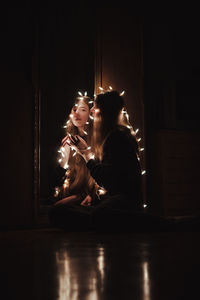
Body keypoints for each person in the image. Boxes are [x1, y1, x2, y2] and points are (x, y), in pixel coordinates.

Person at [52, 94, 98, 207]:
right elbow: (55, 182)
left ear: (91, 113)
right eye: (74, 109)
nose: (77, 113)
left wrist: (91, 195)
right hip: (70, 192)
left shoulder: (96, 140)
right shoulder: (67, 140)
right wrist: (64, 158)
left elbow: (100, 173)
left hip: (90, 196)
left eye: (82, 109)